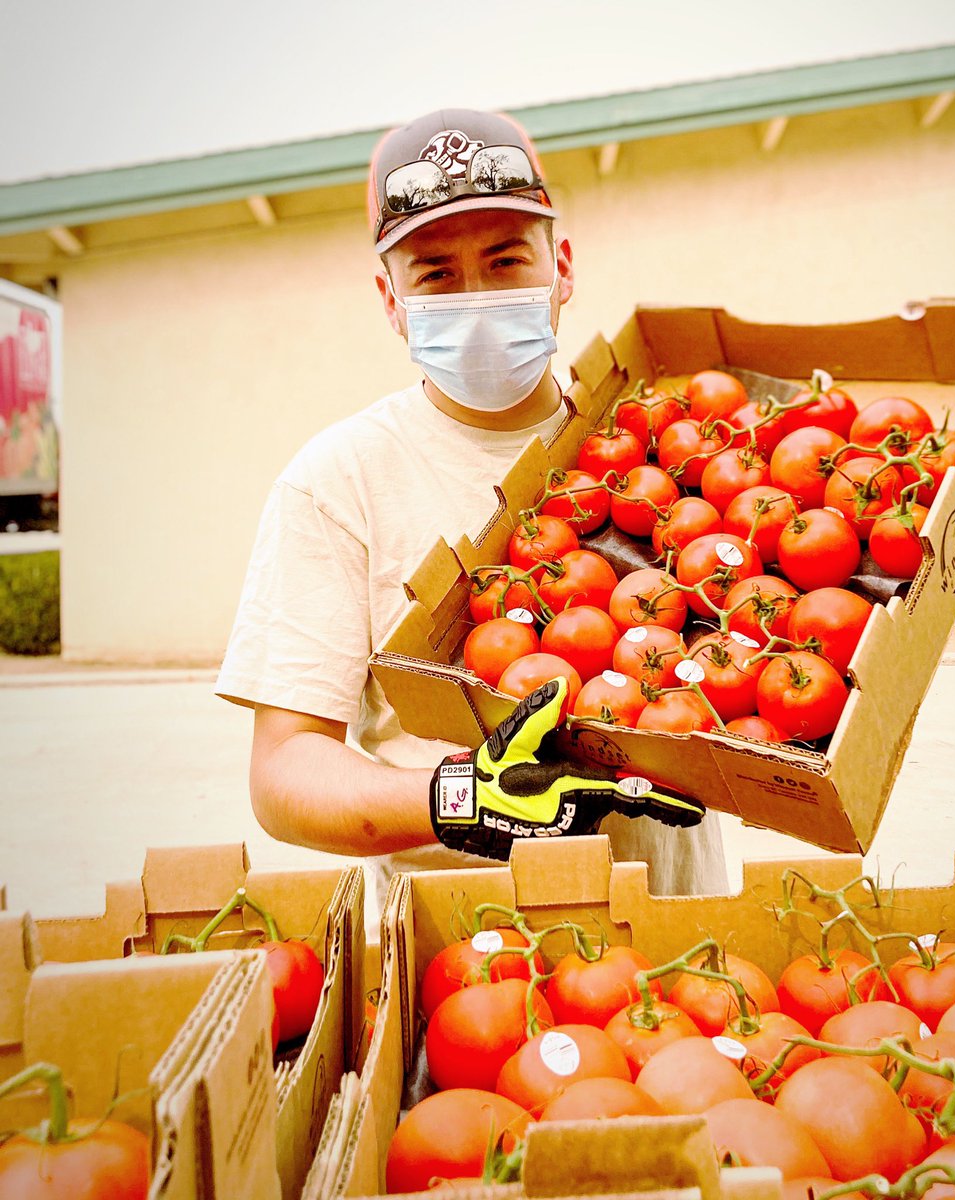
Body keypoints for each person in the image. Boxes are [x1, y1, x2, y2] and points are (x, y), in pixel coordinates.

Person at [215, 108, 728, 907]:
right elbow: (284, 771)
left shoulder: (661, 442)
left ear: (560, 267)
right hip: (459, 963)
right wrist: (457, 798)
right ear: (391, 300)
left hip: (676, 932)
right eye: (436, 276)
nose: (478, 298)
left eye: (504, 259)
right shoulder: (338, 481)